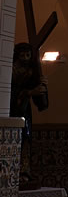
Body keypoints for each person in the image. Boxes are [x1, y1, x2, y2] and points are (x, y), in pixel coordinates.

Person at [10, 42, 48, 183]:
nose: (25, 58)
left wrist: (42, 86)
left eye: (28, 55)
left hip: (25, 112)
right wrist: (30, 92)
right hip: (11, 111)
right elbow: (10, 92)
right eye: (22, 55)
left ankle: (24, 171)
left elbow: (40, 99)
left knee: (25, 140)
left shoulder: (31, 71)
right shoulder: (11, 70)